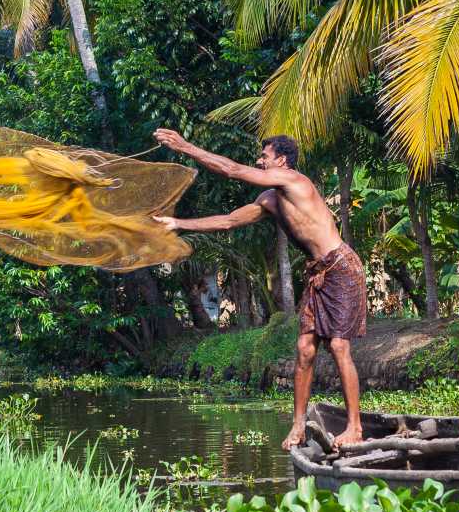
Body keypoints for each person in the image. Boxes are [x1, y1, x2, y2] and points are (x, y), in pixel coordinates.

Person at [151, 129, 365, 450]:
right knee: (305, 350)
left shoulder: (295, 181)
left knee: (337, 346)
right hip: (317, 273)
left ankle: (356, 427)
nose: (259, 161)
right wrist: (179, 223)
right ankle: (297, 427)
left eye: (264, 157)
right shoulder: (269, 200)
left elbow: (233, 170)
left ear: (281, 161)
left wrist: (185, 147)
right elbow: (228, 221)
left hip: (341, 266)